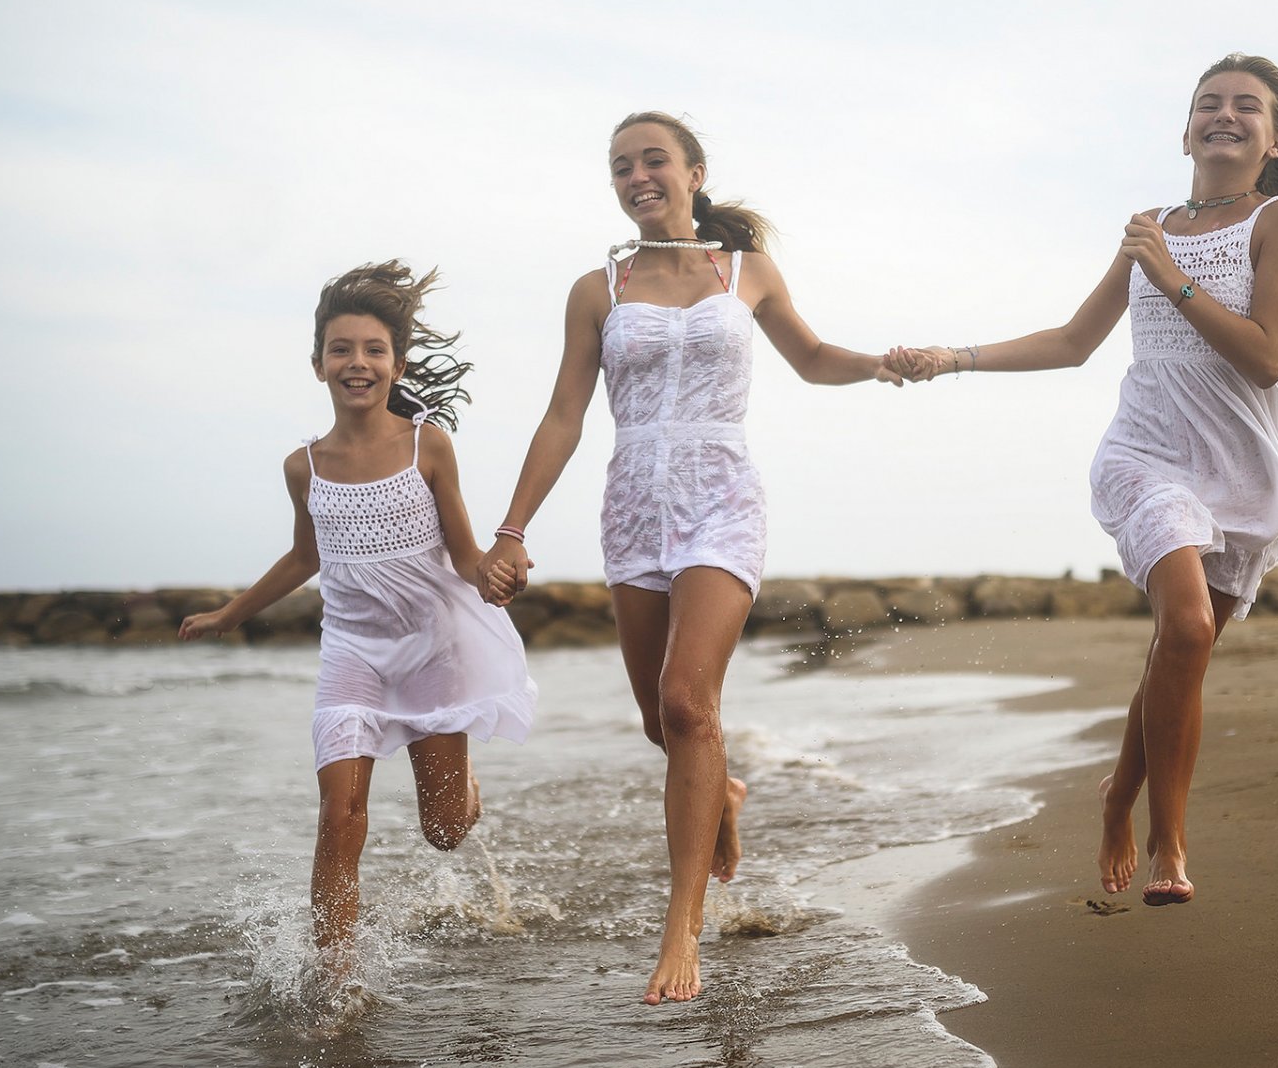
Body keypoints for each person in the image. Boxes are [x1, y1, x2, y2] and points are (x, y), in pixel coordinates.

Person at [888, 54, 1278, 907]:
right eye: (1207, 104)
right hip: (1146, 454)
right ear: (1186, 130)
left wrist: (1170, 274)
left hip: (1241, 464)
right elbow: (1074, 342)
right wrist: (953, 358)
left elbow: (1265, 357)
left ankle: (1117, 793)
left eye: (1244, 107)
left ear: (1274, 138)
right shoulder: (1150, 223)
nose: (1224, 115)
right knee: (1185, 629)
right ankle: (1168, 840)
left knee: (1179, 651)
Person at [481, 112, 901, 1004]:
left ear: (694, 174)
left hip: (720, 495)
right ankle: (727, 796)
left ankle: (681, 934)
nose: (638, 176)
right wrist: (513, 529)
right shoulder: (596, 289)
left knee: (686, 702)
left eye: (654, 161)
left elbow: (815, 357)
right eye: (621, 167)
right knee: (661, 724)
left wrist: (883, 364)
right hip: (634, 500)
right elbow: (565, 415)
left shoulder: (743, 272)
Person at [180, 260, 536, 962]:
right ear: (318, 365)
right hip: (352, 657)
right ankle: (334, 981)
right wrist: (231, 613)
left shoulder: (427, 445)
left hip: (435, 651)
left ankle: (465, 788)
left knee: (444, 832)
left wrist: (494, 576)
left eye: (374, 350)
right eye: (341, 349)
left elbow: (464, 554)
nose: (358, 363)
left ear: (398, 365)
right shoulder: (302, 466)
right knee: (339, 819)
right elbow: (303, 557)